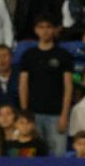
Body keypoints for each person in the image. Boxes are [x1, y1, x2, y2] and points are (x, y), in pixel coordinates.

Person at [18, 14, 74, 153]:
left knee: (58, 158)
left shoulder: (63, 55)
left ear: (54, 30)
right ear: (36, 30)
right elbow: (23, 85)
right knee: (35, 158)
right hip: (34, 115)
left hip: (57, 115)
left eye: (49, 27)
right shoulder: (28, 55)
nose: (45, 31)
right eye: (41, 27)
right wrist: (25, 115)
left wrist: (64, 115)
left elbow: (68, 87)